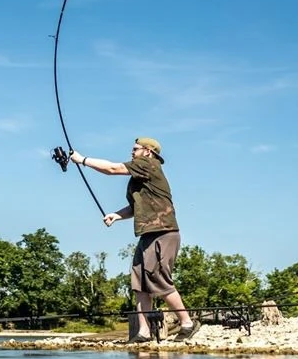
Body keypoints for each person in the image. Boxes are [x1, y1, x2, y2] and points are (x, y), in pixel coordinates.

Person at [69, 137, 200, 343]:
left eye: (136, 149)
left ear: (148, 151)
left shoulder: (148, 164)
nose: (132, 152)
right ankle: (144, 332)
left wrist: (82, 160)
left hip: (163, 232)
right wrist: (116, 215)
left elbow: (112, 169)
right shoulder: (139, 176)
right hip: (148, 233)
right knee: (139, 283)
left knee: (159, 278)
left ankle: (187, 323)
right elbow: (135, 207)